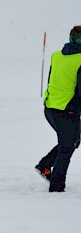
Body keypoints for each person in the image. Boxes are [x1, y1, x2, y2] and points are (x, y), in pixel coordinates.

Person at [35, 25, 81, 192]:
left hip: (51, 108)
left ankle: (45, 165)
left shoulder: (57, 55)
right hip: (67, 111)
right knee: (68, 144)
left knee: (71, 140)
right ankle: (56, 186)